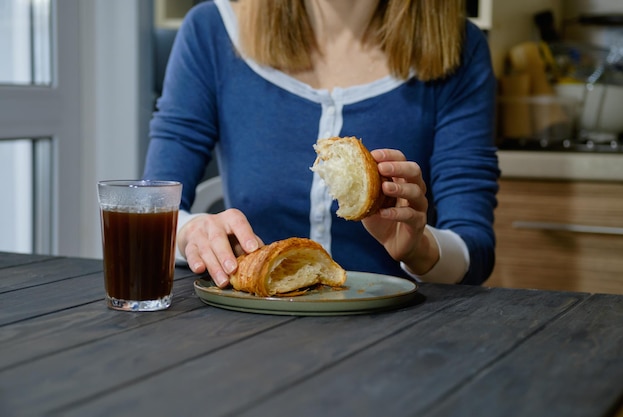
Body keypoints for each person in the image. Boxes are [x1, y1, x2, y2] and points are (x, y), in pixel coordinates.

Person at [143, 0, 500, 289]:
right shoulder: (211, 30)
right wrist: (192, 232)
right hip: (250, 335)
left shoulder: (459, 48)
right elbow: (153, 207)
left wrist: (419, 248)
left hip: (397, 341)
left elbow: (475, 252)